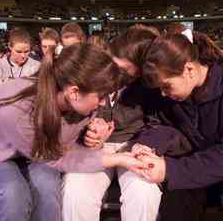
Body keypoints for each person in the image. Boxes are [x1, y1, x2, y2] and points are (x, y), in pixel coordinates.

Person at [0, 43, 147, 221]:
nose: (102, 104)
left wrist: (94, 138)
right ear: (74, 92)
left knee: (48, 189)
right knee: (13, 194)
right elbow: (57, 157)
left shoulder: (81, 106)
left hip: (37, 157)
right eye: (100, 97)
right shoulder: (15, 106)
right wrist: (119, 159)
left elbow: (67, 147)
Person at [62, 25, 191, 221]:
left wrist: (146, 145)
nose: (113, 72)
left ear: (140, 71)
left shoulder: (155, 86)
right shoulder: (95, 69)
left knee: (144, 191)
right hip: (96, 150)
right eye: (111, 61)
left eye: (123, 69)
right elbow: (73, 110)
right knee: (75, 190)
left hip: (134, 146)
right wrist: (89, 132)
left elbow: (161, 125)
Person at [135, 30, 223, 221]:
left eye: (166, 86)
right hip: (203, 167)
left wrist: (169, 170)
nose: (163, 94)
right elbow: (166, 127)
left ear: (189, 70)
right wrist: (146, 144)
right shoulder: (177, 93)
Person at [0, 27, 40, 95]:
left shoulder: (37, 66)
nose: (23, 56)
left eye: (26, 51)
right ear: (10, 46)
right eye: (18, 51)